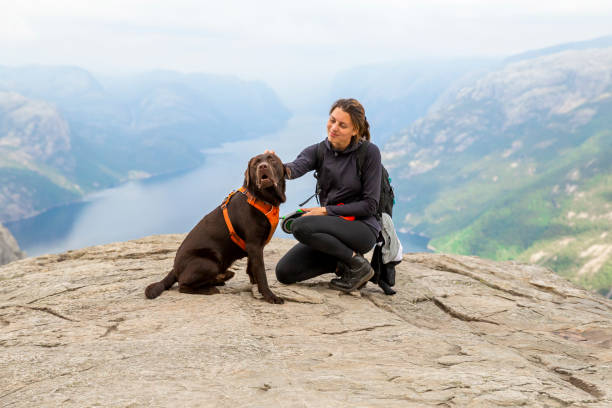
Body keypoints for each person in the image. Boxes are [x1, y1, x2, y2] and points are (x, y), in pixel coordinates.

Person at [274, 98, 382, 292]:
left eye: (342, 125)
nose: (333, 127)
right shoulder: (319, 151)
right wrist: (275, 167)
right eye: (332, 120)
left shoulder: (369, 153)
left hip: (361, 228)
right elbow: (295, 168)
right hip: (332, 230)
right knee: (284, 272)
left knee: (300, 226)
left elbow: (370, 205)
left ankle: (358, 265)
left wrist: (325, 211)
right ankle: (345, 264)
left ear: (355, 130)